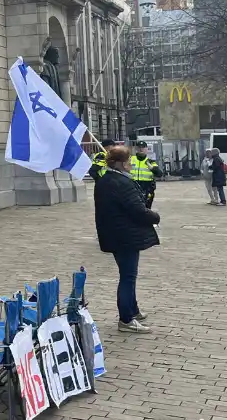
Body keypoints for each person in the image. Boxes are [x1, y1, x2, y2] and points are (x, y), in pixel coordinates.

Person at [93, 146, 160, 334]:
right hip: (125, 235)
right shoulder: (121, 182)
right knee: (128, 276)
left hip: (115, 233)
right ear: (121, 163)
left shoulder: (105, 179)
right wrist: (155, 216)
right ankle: (126, 319)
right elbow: (137, 210)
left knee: (128, 274)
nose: (130, 164)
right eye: (128, 161)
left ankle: (133, 310)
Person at [129, 141, 163, 209]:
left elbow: (159, 174)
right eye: (139, 147)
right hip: (133, 188)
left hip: (146, 189)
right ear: (136, 149)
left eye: (143, 148)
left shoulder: (150, 162)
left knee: (146, 210)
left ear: (146, 149)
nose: (141, 149)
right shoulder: (130, 160)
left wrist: (152, 168)